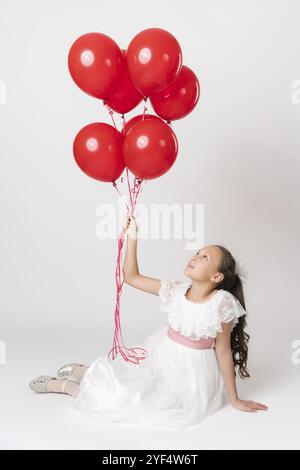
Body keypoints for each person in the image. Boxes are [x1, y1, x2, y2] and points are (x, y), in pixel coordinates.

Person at [29, 213, 268, 428]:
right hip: (162, 357)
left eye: (204, 257)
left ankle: (66, 386)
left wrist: (234, 398)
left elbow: (223, 351)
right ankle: (85, 372)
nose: (195, 256)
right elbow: (131, 277)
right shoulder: (176, 291)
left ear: (216, 276)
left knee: (132, 401)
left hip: (190, 374)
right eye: (196, 252)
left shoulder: (221, 304)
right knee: (126, 379)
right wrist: (133, 237)